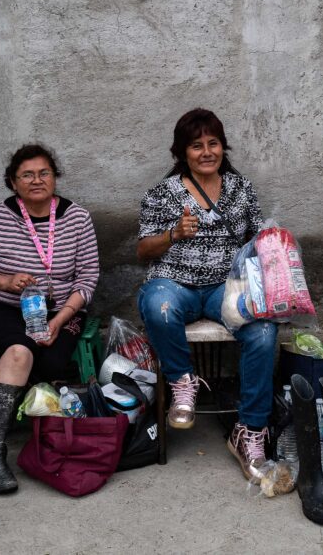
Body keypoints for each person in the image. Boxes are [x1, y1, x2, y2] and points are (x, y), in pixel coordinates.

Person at [136, 108, 277, 483]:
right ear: (182, 152)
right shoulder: (163, 194)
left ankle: (249, 431)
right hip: (174, 282)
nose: (206, 152)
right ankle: (183, 381)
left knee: (263, 329)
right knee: (157, 305)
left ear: (222, 146)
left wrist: (277, 247)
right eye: (196, 146)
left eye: (212, 143)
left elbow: (256, 239)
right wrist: (173, 235)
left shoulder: (240, 189)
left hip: (225, 287)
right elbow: (142, 251)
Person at [0, 144, 99, 494]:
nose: (36, 180)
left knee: (52, 360)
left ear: (54, 177)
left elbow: (87, 279)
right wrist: (4, 280)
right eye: (27, 175)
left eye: (44, 173)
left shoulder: (77, 218)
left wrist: (61, 318)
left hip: (59, 310)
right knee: (20, 352)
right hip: (3, 307)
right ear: (13, 182)